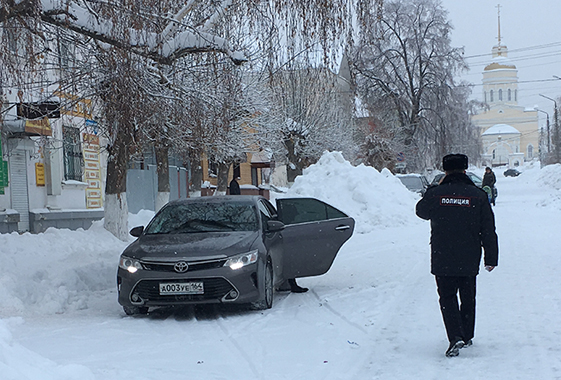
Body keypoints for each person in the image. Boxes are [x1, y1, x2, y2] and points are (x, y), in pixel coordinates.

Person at [416, 154, 498, 358]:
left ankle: (455, 336)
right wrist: (491, 258)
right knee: (468, 296)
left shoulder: (436, 194)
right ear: (464, 169)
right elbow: (488, 228)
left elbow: (421, 211)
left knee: (447, 297)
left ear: (445, 171)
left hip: (442, 254)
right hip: (469, 254)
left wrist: (433, 192)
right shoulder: (477, 195)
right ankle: (467, 334)